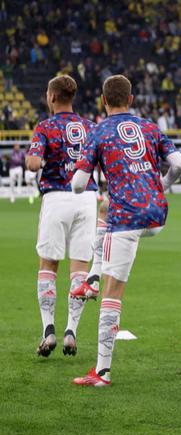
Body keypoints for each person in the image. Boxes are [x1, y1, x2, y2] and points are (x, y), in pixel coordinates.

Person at [71, 75, 181, 386]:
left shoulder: (98, 131)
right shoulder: (150, 127)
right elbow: (179, 164)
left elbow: (79, 184)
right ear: (131, 99)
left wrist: (79, 181)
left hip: (127, 219)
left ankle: (102, 372)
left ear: (103, 101)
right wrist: (161, 185)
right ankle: (93, 278)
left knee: (113, 293)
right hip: (157, 215)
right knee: (106, 209)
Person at [25, 75, 97, 357]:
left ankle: (48, 330)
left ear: (52, 97)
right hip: (86, 198)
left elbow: (33, 163)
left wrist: (39, 159)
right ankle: (71, 332)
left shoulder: (45, 127)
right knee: (79, 267)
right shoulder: (90, 126)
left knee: (48, 263)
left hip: (56, 196)